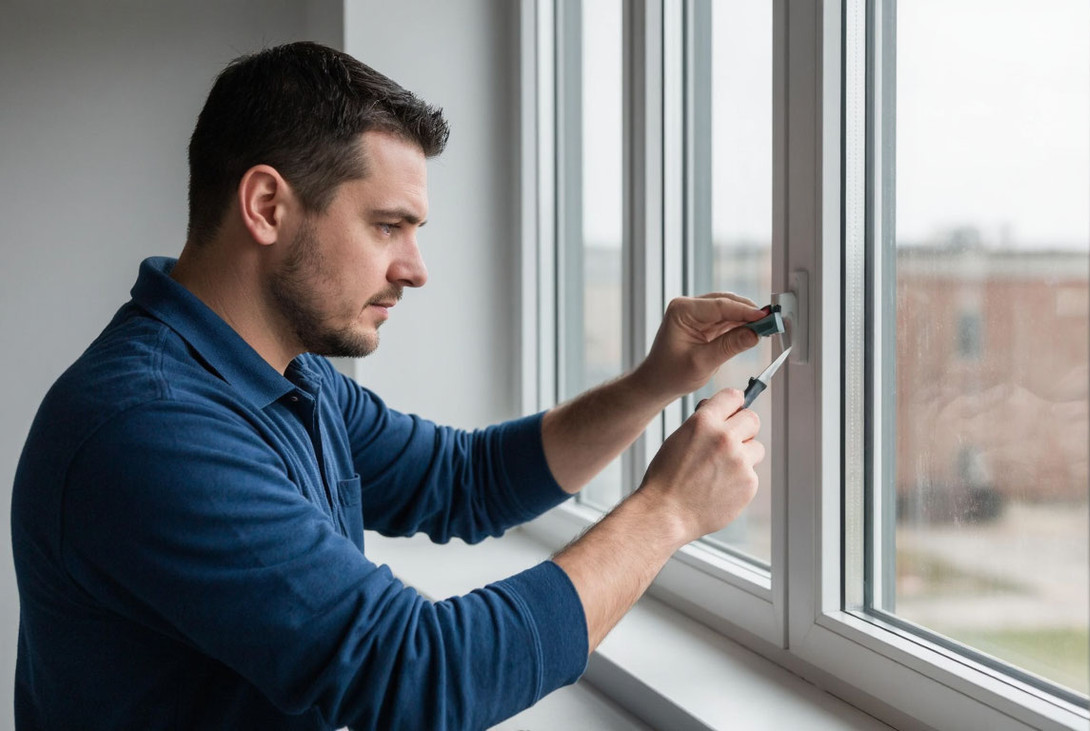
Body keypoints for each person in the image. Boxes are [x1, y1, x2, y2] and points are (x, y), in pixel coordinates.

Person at [10, 41, 767, 730]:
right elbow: (418, 674)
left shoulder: (291, 375)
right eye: (386, 226)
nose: (415, 268)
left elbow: (466, 479)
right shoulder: (151, 427)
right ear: (267, 207)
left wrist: (652, 383)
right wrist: (666, 511)